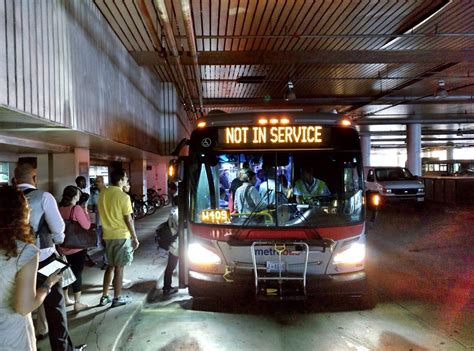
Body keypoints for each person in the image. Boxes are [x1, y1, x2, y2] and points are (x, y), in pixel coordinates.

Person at [15, 163, 85, 351]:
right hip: (44, 258)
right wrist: (54, 239)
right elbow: (59, 229)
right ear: (35, 178)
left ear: (14, 179)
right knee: (55, 308)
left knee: (21, 309)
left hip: (14, 262)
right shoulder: (44, 197)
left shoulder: (7, 198)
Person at [0, 186, 62, 351]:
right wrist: (48, 284)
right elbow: (23, 306)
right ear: (20, 214)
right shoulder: (25, 251)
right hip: (10, 335)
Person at [98, 168, 139, 308]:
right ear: (120, 180)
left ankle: (104, 296)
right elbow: (129, 220)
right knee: (119, 268)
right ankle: (117, 298)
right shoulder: (124, 197)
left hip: (106, 236)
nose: (127, 180)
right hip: (121, 236)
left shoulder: (103, 193)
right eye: (126, 178)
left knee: (110, 266)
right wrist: (134, 237)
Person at [58, 186, 91, 312]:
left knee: (66, 272)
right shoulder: (76, 208)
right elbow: (87, 226)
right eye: (78, 194)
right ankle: (77, 302)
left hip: (63, 246)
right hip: (76, 247)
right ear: (75, 196)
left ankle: (66, 298)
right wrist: (85, 210)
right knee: (77, 273)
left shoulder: (60, 208)